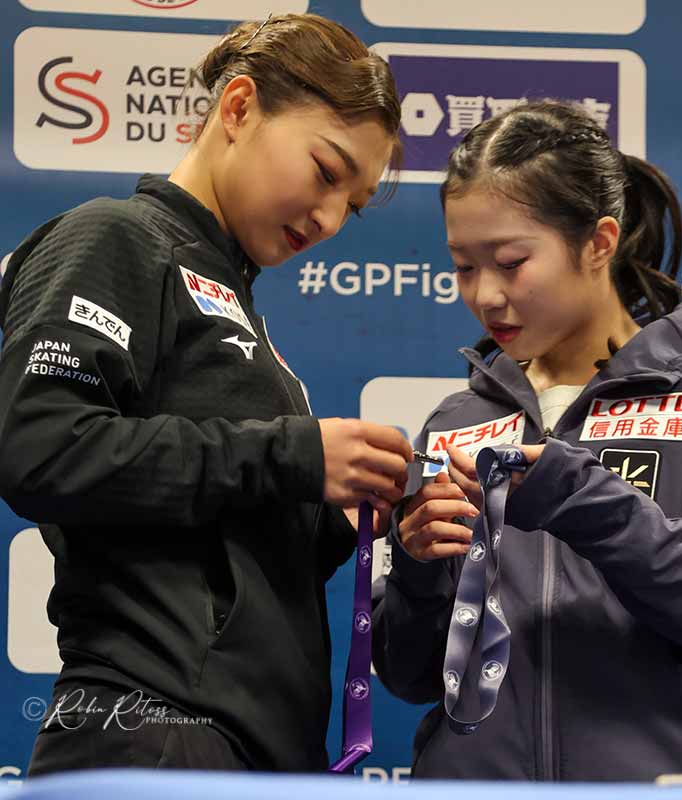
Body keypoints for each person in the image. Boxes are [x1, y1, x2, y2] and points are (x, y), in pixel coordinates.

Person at [0, 13, 414, 774]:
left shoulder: (237, 306)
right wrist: (293, 455)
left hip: (252, 746)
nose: (329, 219)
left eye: (351, 206)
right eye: (326, 172)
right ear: (239, 106)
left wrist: (345, 518)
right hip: (151, 725)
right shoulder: (114, 236)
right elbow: (41, 447)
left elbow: (224, 552)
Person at [372, 100, 682, 781]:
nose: (485, 295)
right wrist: (416, 564)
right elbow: (410, 675)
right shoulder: (457, 419)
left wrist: (583, 500)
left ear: (599, 243)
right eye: (462, 266)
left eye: (511, 262)